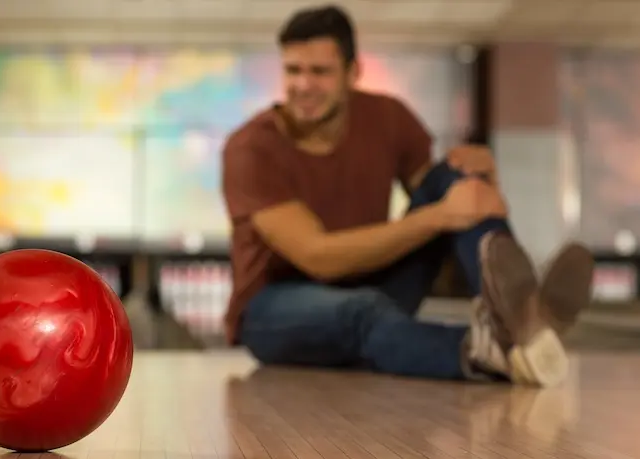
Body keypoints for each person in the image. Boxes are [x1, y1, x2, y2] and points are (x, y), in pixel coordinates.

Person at [220, 5, 595, 386]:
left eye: (319, 71)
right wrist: (441, 215)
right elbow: (319, 257)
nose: (303, 85)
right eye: (293, 70)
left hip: (375, 286)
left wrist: (481, 184)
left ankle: (518, 317)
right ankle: (491, 350)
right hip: (272, 312)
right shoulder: (251, 149)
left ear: (353, 72)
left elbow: (450, 208)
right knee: (364, 310)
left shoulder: (388, 117)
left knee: (456, 174)